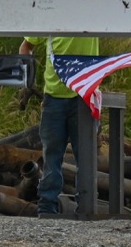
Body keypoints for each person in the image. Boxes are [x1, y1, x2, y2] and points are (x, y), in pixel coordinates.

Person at [18, 35, 99, 216]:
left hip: (83, 95)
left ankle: (85, 208)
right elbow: (26, 46)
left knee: (84, 157)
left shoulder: (94, 15)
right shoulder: (51, 17)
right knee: (52, 156)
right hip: (55, 97)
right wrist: (28, 82)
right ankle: (47, 208)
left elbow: (26, 47)